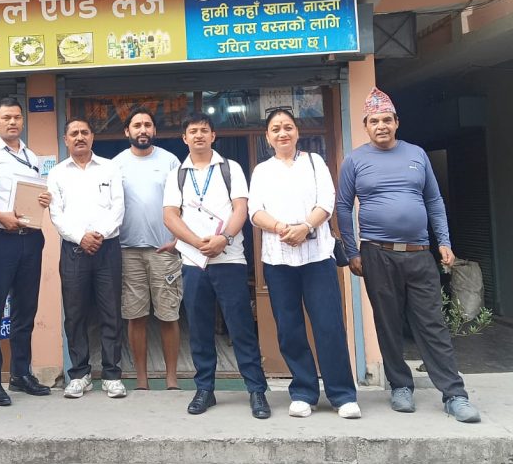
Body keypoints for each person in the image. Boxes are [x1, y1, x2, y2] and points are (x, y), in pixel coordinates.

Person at [336, 87, 481, 423]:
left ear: (397, 122)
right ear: (366, 125)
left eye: (387, 120)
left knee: (432, 324)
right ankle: (400, 386)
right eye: (375, 121)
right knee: (387, 323)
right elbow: (343, 207)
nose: (381, 126)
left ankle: (454, 394)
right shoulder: (355, 160)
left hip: (419, 253)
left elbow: (434, 200)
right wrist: (352, 251)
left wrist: (444, 241)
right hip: (376, 253)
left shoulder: (417, 154)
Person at [248, 108, 361, 420]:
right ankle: (303, 392)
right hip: (278, 259)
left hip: (317, 257)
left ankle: (342, 394)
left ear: (297, 132)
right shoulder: (262, 171)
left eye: (287, 127)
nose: (282, 133)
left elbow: (327, 201)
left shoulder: (315, 162)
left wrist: (305, 227)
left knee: (329, 324)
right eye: (275, 129)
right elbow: (255, 211)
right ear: (267, 137)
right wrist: (281, 228)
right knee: (289, 328)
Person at [163, 112, 270, 420]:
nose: (198, 135)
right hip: (193, 261)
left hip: (229, 259)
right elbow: (170, 215)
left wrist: (224, 238)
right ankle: (204, 389)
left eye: (204, 130)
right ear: (184, 138)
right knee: (199, 328)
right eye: (193, 131)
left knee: (240, 327)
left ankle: (256, 390)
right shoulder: (177, 174)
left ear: (213, 136)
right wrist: (197, 243)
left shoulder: (230, 168)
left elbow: (241, 208)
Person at [0, 97, 52, 406]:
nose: (12, 122)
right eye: (6, 117)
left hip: (31, 238)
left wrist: (44, 200)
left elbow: (36, 193)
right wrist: (1, 217)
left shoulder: (32, 156)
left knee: (25, 310)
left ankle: (21, 373)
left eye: (17, 117)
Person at [47, 117, 127, 399]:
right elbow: (56, 213)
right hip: (73, 250)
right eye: (74, 133)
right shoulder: (57, 173)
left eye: (84, 132)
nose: (79, 137)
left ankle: (112, 375)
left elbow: (118, 206)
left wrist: (99, 234)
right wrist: (81, 237)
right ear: (66, 140)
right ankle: (79, 375)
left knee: (111, 312)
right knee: (75, 315)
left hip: (108, 248)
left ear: (92, 137)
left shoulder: (110, 168)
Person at [112, 107, 182, 391]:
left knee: (169, 314)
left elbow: (185, 203)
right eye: (137, 125)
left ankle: (171, 378)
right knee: (135, 315)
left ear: (154, 130)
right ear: (126, 131)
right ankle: (141, 379)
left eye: (148, 125)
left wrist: (178, 240)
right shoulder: (116, 164)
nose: (143, 130)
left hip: (164, 250)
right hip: (127, 250)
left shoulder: (170, 161)